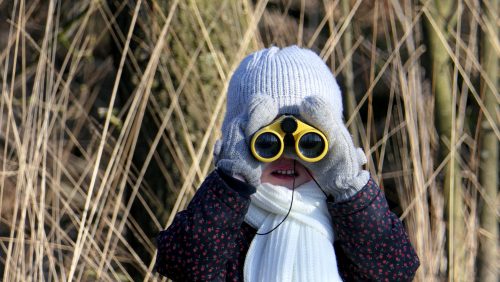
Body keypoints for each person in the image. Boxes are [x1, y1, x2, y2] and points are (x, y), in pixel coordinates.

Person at [155, 46, 420, 281]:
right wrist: (232, 182)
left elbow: (395, 271)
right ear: (238, 141)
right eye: (268, 142)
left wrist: (349, 189)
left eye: (309, 142)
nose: (288, 155)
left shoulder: (346, 224)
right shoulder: (228, 221)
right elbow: (184, 265)